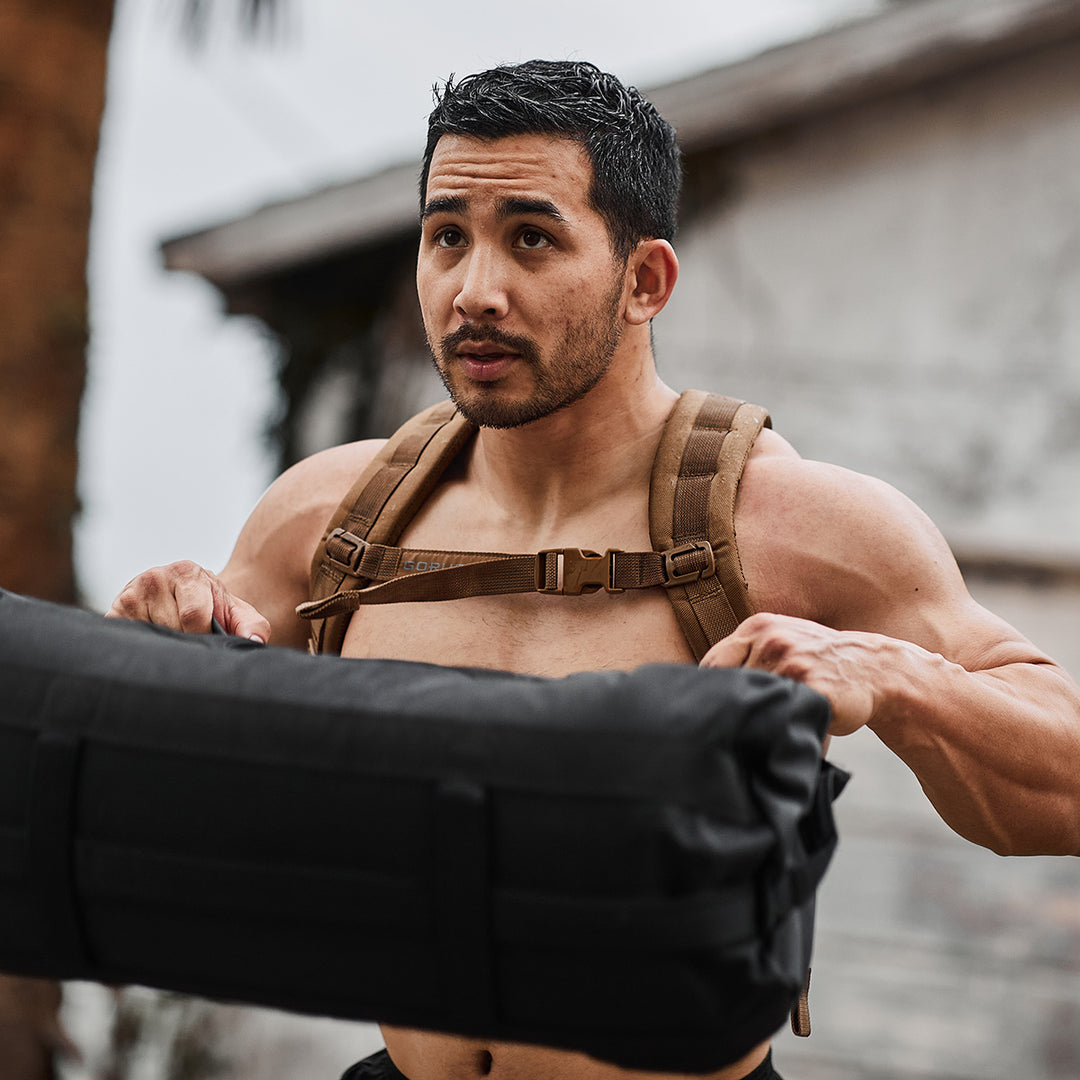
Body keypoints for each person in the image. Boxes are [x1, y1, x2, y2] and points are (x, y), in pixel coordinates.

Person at [102, 60, 1079, 1080]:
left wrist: (892, 676)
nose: (475, 291)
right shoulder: (333, 519)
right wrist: (160, 649)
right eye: (448, 237)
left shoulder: (799, 525)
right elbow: (152, 812)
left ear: (645, 281)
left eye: (531, 237)